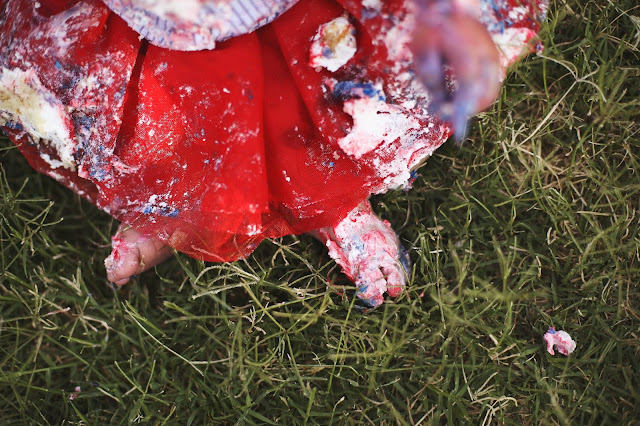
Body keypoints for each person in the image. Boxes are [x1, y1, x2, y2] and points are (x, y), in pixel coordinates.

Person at [0, 0, 547, 306]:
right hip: (147, 18)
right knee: (163, 119)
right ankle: (172, 207)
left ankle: (332, 203)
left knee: (314, 110)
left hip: (293, 14)